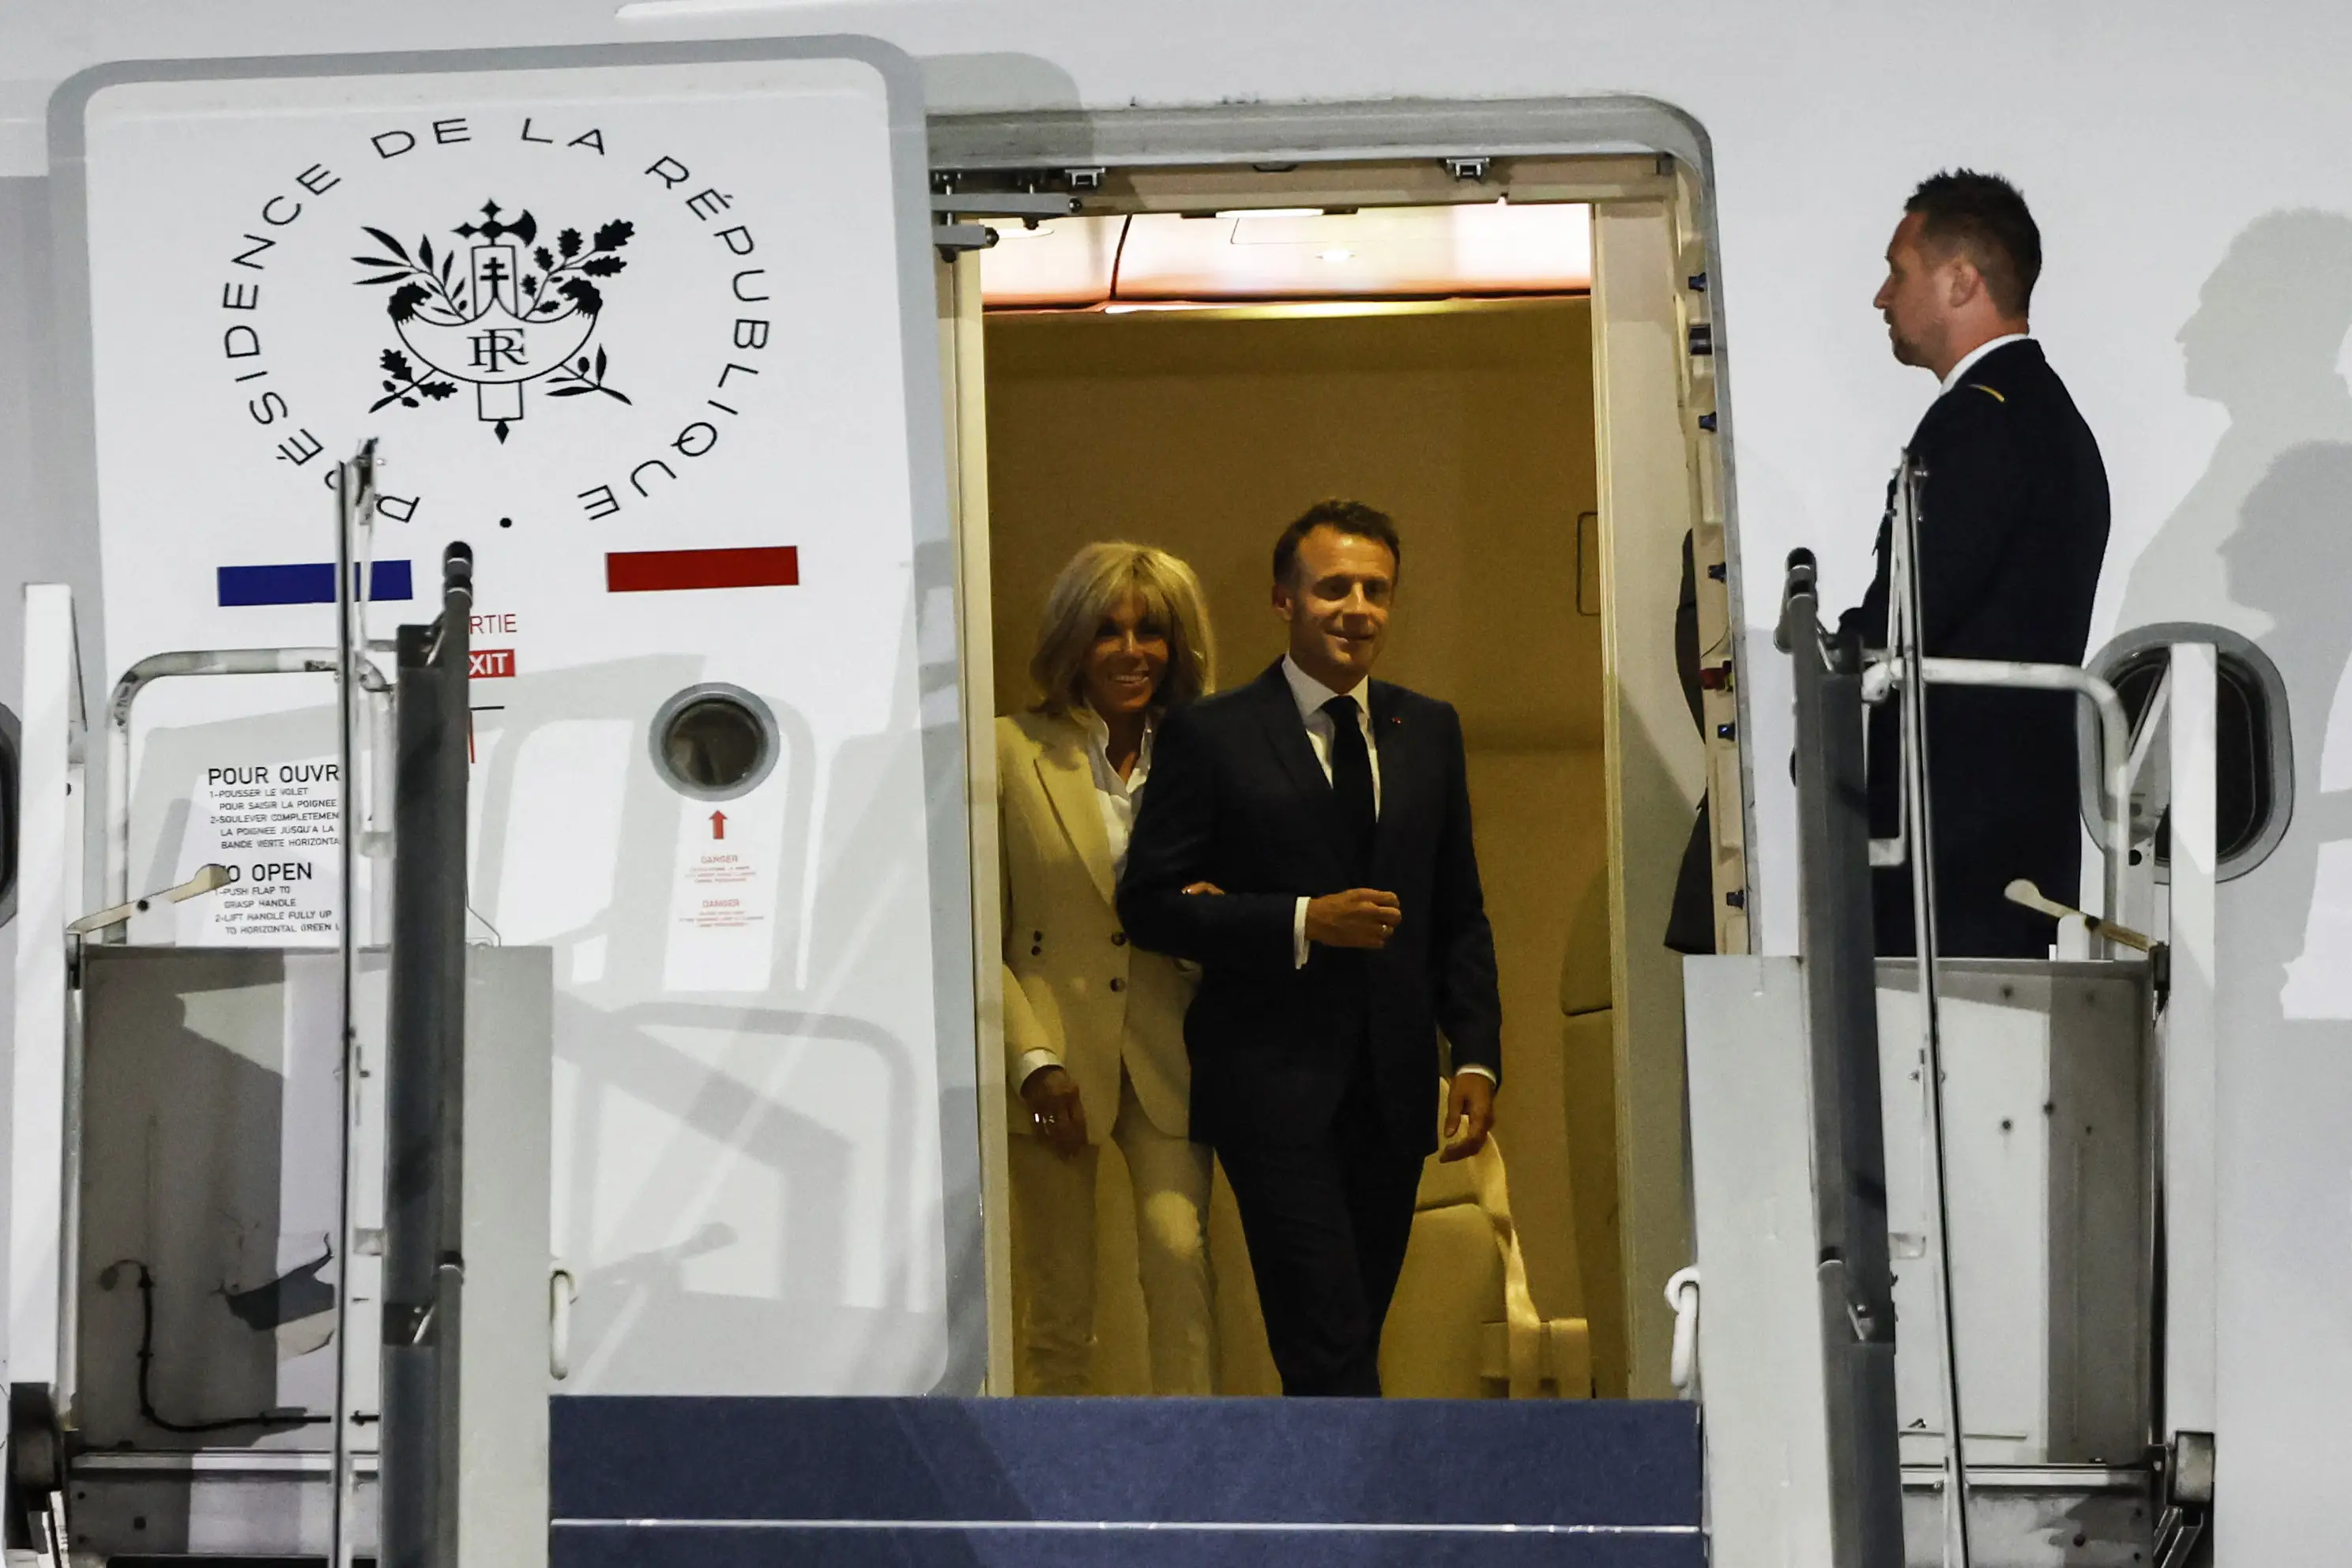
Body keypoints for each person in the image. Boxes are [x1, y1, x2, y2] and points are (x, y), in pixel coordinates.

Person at [1117, 499, 1502, 1397]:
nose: (1357, 607)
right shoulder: (1212, 733)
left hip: (1395, 1083)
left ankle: (1330, 1505)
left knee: (1349, 1330)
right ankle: (1358, 1524)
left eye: (1376, 590)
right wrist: (1297, 919)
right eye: (1334, 587)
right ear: (1284, 600)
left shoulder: (1426, 728)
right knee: (1325, 1334)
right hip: (1269, 1083)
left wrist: (1476, 1054)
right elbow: (1149, 902)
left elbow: (1459, 911)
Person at [1842, 171, 2111, 957]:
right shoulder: (2039, 412)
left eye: (1899, 271)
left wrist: (1831, 675)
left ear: (1960, 280)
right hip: (2000, 836)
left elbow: (1913, 606)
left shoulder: (1980, 423)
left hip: (1953, 844)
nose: (1881, 297)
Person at [999, 542, 1220, 1395]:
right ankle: (1050, 1492)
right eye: (1109, 630)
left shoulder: (1205, 752)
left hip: (1171, 1050)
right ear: (1071, 642)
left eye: (1152, 631)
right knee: (1059, 1297)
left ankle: (1198, 1478)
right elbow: (984, 932)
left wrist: (1214, 912)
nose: (1132, 651)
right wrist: (1030, 1061)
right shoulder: (1007, 751)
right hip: (1052, 1062)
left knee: (1180, 1263)